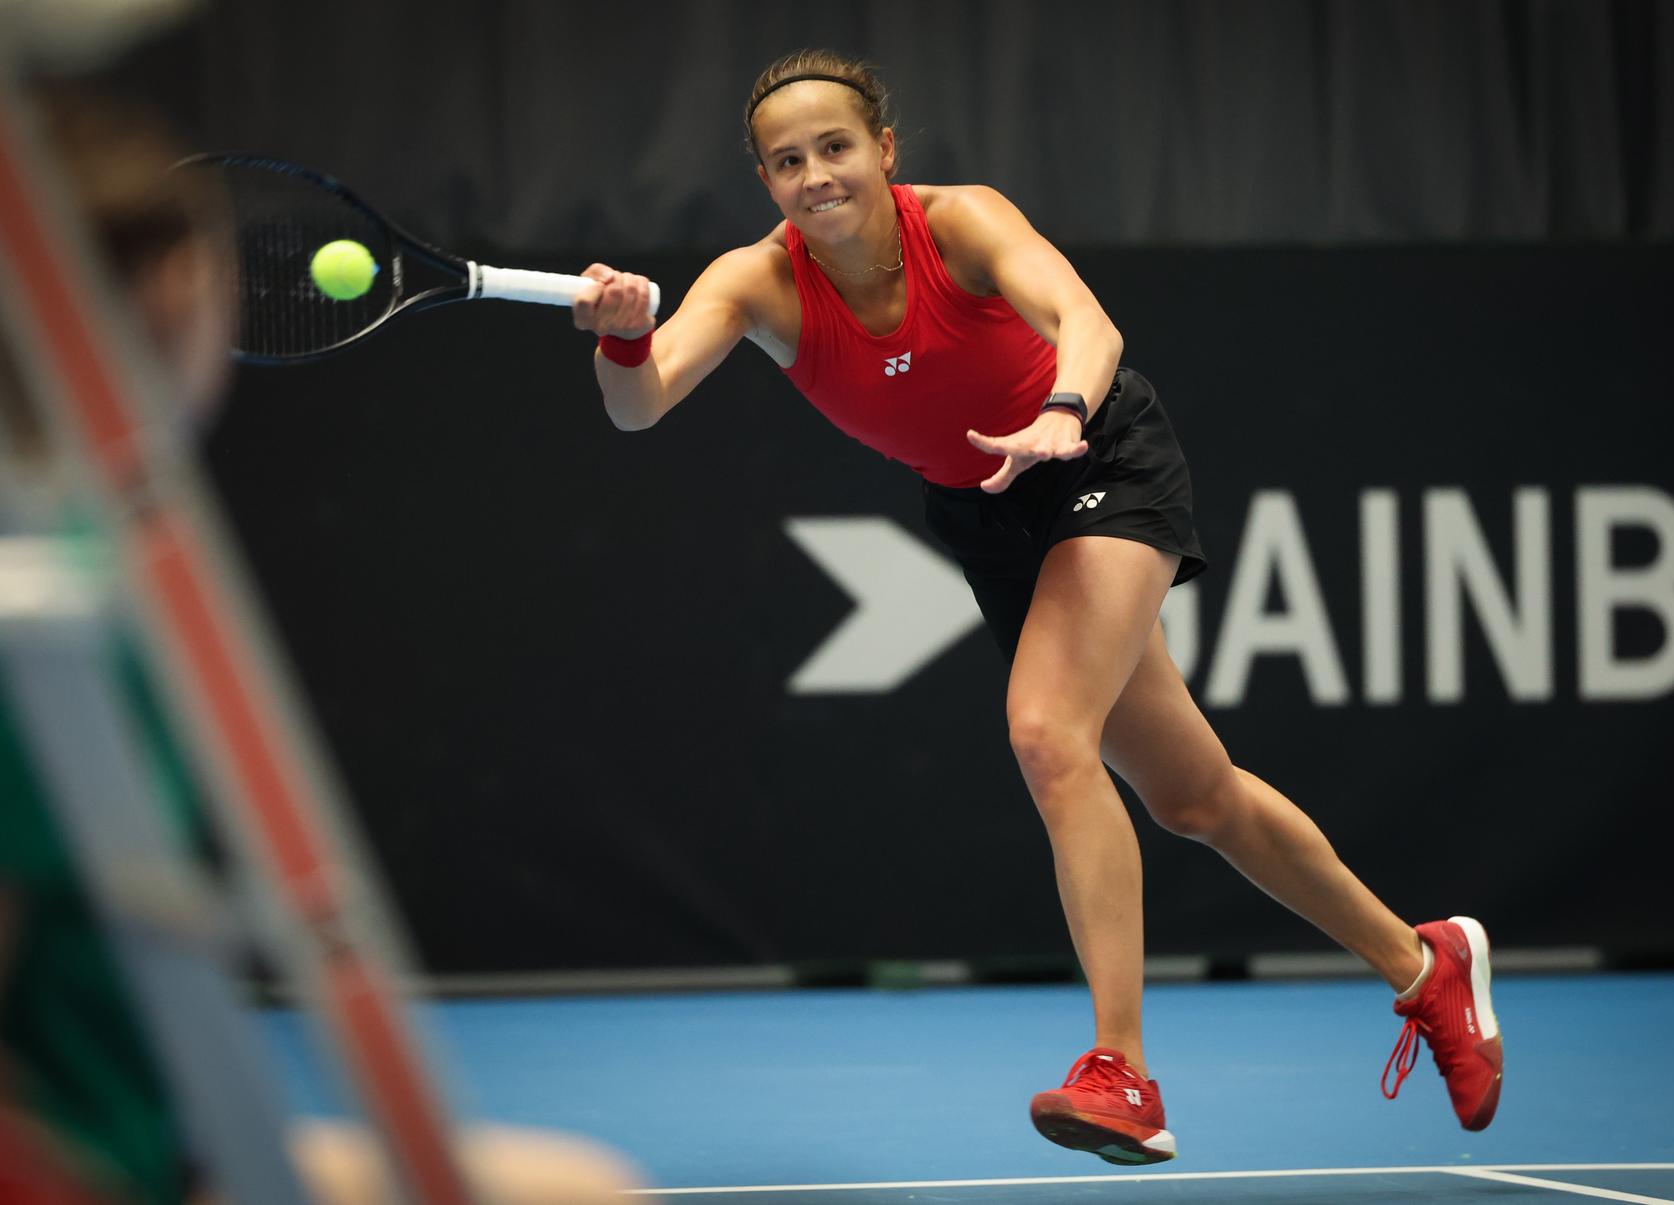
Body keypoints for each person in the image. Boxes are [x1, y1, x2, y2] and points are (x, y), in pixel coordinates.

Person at [572, 49, 1503, 1166]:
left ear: (884, 150)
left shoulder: (961, 222)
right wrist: (623, 333)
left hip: (1096, 453)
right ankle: (1425, 964)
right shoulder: (754, 283)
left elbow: (1086, 322)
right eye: (787, 161)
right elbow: (640, 404)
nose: (815, 175)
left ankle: (1123, 1070)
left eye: (835, 147)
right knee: (1195, 795)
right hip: (988, 516)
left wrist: (1062, 408)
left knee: (1048, 734)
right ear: (765, 180)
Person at [0, 84, 645, 1203]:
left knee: (578, 1188)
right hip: (94, 1177)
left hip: (156, 1149)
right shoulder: (45, 610)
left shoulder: (90, 559)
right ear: (171, 288)